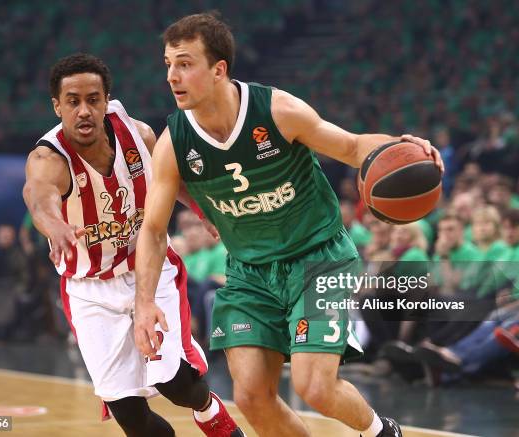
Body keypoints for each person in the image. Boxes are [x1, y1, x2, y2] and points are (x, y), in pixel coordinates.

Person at [134, 13, 443, 437]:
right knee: (251, 397)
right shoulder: (174, 143)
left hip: (318, 259)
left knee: (314, 386)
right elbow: (153, 230)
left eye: (184, 63)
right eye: (168, 64)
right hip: (249, 272)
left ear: (218, 69)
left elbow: (352, 147)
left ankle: (382, 432)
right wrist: (145, 302)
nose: (172, 75)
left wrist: (401, 146)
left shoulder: (278, 110)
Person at [23, 53, 243, 437]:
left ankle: (208, 409)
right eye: (73, 101)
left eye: (93, 99)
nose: (84, 110)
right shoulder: (48, 157)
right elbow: (38, 196)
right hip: (90, 289)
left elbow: (170, 180)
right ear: (57, 106)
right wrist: (54, 225)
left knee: (175, 384)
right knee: (131, 416)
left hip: (149, 269)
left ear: (106, 100)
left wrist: (205, 212)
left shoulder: (138, 135)